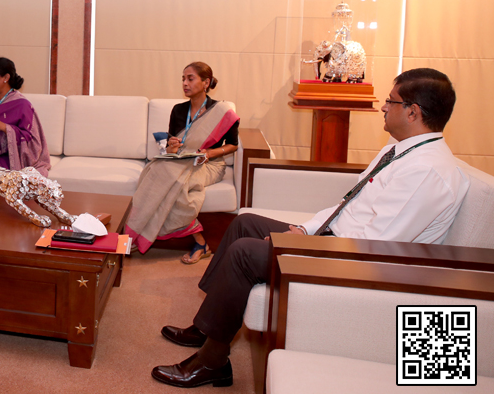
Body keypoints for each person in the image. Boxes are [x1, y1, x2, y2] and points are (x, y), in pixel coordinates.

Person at [151, 68, 470, 388]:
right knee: (244, 224)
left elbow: (377, 244)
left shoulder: (427, 171)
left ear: (413, 112)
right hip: (337, 242)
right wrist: (306, 230)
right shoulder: (401, 151)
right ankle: (208, 327)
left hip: (359, 265)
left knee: (244, 253)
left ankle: (212, 362)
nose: (384, 107)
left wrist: (308, 246)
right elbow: (348, 205)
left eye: (391, 101)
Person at [125, 62, 239, 262]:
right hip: (181, 160)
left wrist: (210, 154)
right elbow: (169, 148)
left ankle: (137, 235)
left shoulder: (222, 111)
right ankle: (199, 243)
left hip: (209, 163)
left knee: (174, 182)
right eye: (183, 79)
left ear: (206, 83)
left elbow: (233, 145)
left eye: (190, 78)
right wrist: (171, 145)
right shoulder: (178, 110)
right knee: (156, 170)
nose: (185, 83)